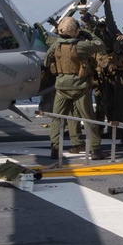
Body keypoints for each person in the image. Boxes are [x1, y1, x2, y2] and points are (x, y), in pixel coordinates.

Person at [44, 16, 108, 160]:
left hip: (61, 87)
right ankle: (95, 150)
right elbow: (100, 45)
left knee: (57, 119)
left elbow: (47, 61)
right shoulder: (81, 46)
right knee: (88, 118)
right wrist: (86, 32)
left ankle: (55, 149)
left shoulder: (56, 46)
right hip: (80, 87)